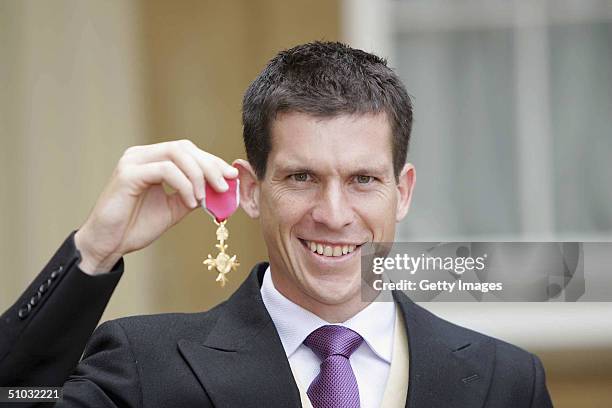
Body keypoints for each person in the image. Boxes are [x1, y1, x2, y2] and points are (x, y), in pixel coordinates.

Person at [0, 42, 553, 407]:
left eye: (362, 180)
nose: (334, 215)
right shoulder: (144, 368)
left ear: (402, 191)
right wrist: (93, 250)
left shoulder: (506, 381)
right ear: (249, 189)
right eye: (302, 178)